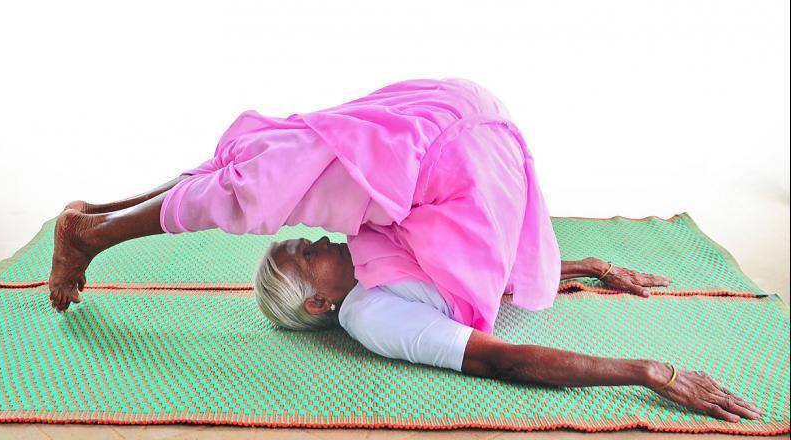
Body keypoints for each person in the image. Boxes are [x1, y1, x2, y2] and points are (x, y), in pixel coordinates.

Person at [48, 78, 763, 423]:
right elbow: (500, 347)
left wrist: (587, 267)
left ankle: (95, 223)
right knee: (254, 181)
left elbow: (467, 253)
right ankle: (89, 231)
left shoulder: (369, 249)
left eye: (294, 245)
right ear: (320, 303)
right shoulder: (376, 318)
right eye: (300, 255)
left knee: (252, 164)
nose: (308, 238)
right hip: (469, 141)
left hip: (446, 124)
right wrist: (649, 369)